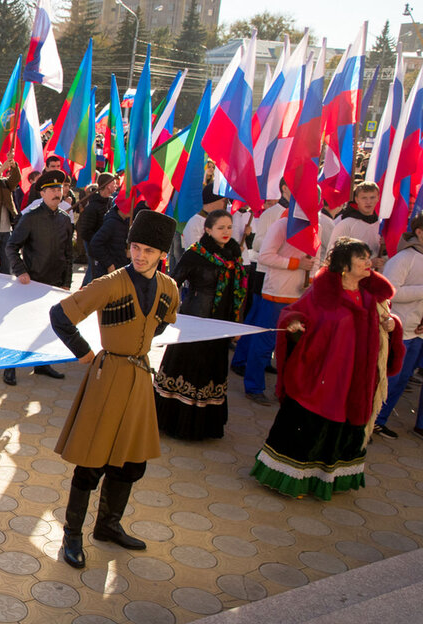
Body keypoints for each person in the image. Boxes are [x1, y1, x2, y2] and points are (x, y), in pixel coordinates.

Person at [48, 211, 180, 569]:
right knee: (91, 462)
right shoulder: (110, 283)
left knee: (131, 462)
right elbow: (59, 315)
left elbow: (164, 325)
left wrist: (140, 341)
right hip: (107, 377)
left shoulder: (169, 288)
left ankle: (107, 525)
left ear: (161, 255)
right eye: (135, 247)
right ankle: (72, 534)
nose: (139, 256)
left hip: (139, 379)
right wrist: (85, 352)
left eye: (148, 251)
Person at [251, 237, 404, 500]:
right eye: (362, 258)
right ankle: (292, 479)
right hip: (320, 377)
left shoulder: (372, 296)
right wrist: (295, 324)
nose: (370, 262)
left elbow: (388, 321)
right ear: (345, 266)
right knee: (307, 427)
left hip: (355, 379)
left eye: (369, 257)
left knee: (344, 427)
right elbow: (292, 313)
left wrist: (392, 326)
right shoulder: (320, 293)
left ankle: (327, 479)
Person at [153, 210, 247, 440]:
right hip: (194, 321)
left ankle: (205, 426)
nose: (226, 232)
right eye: (220, 228)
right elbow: (171, 282)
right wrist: (167, 313)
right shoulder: (195, 254)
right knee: (188, 368)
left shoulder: (234, 254)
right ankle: (175, 423)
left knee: (211, 370)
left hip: (221, 324)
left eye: (229, 227)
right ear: (207, 230)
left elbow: (239, 292)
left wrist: (236, 323)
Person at [233, 207, 316, 406]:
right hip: (276, 294)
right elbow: (265, 256)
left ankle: (286, 390)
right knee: (264, 342)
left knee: (292, 347)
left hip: (299, 298)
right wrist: (296, 264)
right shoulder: (282, 225)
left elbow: (315, 261)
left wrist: (311, 282)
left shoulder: (316, 227)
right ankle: (254, 387)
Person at [5, 169, 75, 382]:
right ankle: (10, 367)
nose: (56, 193)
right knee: (22, 327)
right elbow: (11, 246)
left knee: (46, 326)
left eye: (59, 188)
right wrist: (20, 271)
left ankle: (42, 364)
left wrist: (66, 282)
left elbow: (68, 254)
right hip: (32, 281)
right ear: (42, 194)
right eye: (51, 189)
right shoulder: (31, 218)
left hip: (54, 284)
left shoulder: (64, 219)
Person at [374, 215, 423, 438]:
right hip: (398, 331)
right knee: (388, 379)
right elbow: (390, 292)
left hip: (418, 332)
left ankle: (380, 421)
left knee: (402, 381)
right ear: (419, 232)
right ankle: (368, 420)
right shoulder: (404, 258)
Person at [328, 182, 384, 269]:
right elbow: (332, 255)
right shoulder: (346, 224)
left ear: (378, 198)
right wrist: (368, 263)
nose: (368, 202)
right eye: (364, 198)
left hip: (373, 278)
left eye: (372, 197)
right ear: (356, 199)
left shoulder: (380, 225)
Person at [77, 173, 116, 283]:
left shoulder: (111, 204)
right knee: (93, 273)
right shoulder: (92, 207)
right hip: (94, 246)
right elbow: (85, 231)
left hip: (104, 246)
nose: (116, 186)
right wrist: (98, 240)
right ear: (107, 185)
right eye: (114, 183)